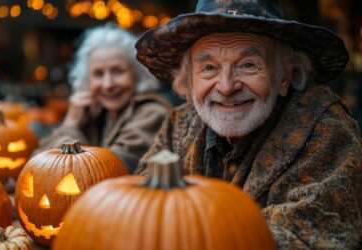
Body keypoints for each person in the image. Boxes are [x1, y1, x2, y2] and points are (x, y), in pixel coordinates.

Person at [135, 0, 362, 248]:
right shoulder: (178, 124)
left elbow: (308, 239)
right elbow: (138, 203)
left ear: (284, 75)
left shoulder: (325, 129)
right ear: (189, 80)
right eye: (208, 68)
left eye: (248, 65)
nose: (226, 86)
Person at [36, 24, 172, 173]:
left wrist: (71, 125)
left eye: (118, 71)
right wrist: (76, 123)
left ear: (137, 74)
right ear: (87, 81)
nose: (108, 85)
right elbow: (37, 164)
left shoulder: (152, 113)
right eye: (99, 74)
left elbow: (98, 172)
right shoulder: (97, 112)